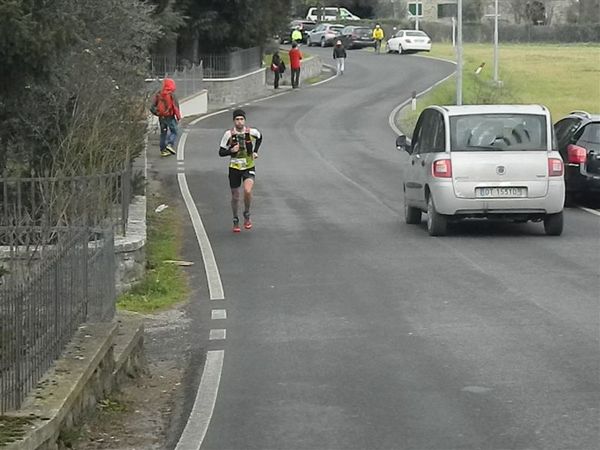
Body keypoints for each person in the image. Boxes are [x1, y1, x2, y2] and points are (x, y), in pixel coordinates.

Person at [218, 109, 263, 232]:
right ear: (234, 121)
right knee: (235, 196)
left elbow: (260, 137)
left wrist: (255, 151)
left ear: (245, 120)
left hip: (248, 166)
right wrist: (230, 151)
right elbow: (221, 152)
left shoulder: (251, 132)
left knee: (247, 191)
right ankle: (235, 219)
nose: (239, 122)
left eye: (241, 119)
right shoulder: (228, 134)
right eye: (237, 119)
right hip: (234, 168)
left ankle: (247, 214)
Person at [151, 78, 181, 157]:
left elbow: (152, 107)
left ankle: (163, 150)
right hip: (169, 117)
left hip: (161, 117)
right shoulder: (172, 95)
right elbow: (176, 107)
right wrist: (178, 117)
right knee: (174, 131)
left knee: (163, 133)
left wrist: (158, 113)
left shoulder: (159, 94)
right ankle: (170, 144)